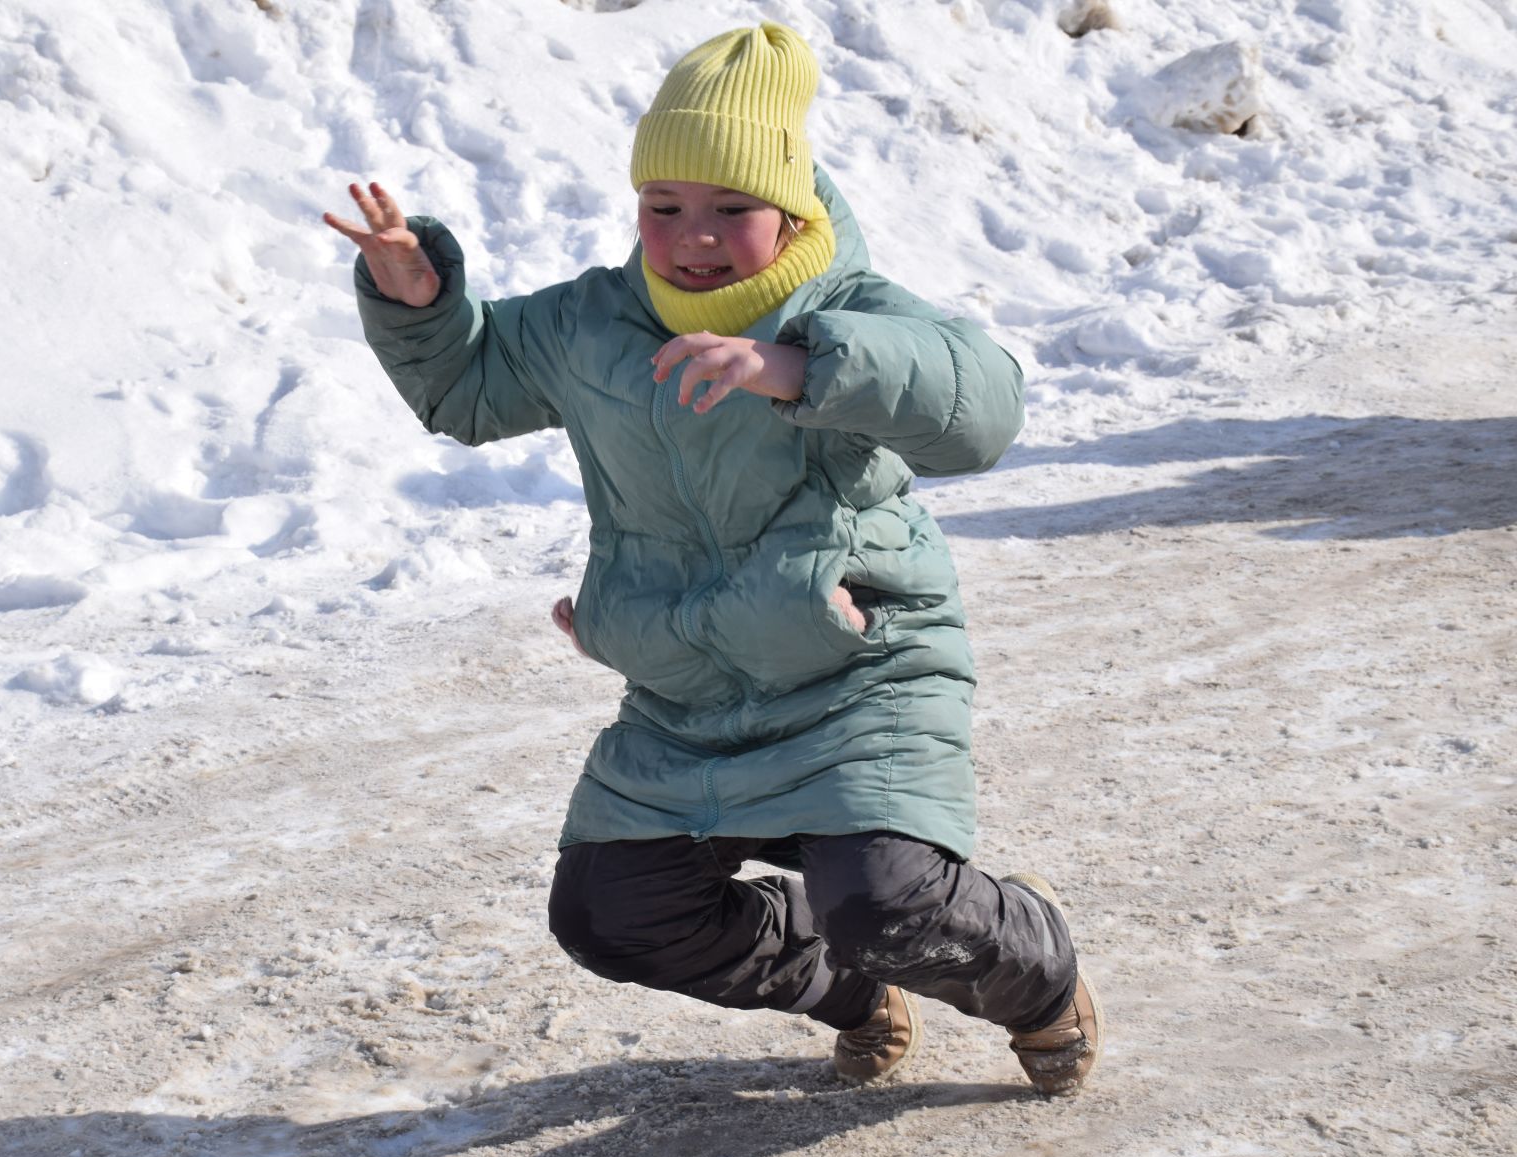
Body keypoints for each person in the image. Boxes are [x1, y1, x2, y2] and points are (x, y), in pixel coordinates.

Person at [324, 22, 1102, 1095]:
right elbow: (466, 387)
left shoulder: (848, 310)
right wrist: (419, 303)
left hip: (856, 663)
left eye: (732, 210)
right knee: (610, 913)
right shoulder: (594, 324)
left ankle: (1039, 978)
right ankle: (842, 982)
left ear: (791, 206)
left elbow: (983, 411)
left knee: (887, 897)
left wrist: (798, 365)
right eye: (666, 208)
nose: (694, 236)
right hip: (689, 684)